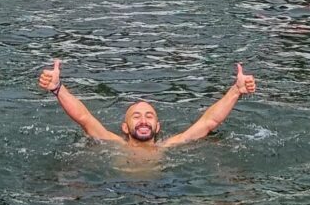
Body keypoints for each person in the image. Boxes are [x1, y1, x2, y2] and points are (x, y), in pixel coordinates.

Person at [37, 59, 256, 148]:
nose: (143, 120)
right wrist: (58, 88)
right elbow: (84, 118)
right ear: (125, 128)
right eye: (136, 116)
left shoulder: (167, 147)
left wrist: (236, 91)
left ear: (158, 127)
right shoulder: (115, 144)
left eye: (149, 116)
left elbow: (209, 122)